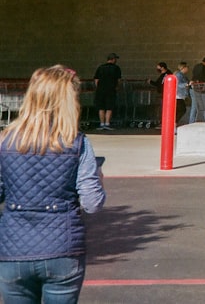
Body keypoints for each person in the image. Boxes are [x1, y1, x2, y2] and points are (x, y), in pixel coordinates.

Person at [0, 65, 106, 303]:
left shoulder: (4, 141)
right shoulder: (77, 143)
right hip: (62, 247)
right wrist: (98, 178)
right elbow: (92, 204)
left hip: (13, 249)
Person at [93, 53, 122, 130]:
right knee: (109, 107)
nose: (116, 60)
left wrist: (99, 87)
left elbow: (96, 80)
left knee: (101, 107)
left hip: (100, 90)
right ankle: (107, 123)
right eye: (115, 59)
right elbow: (119, 80)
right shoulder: (116, 68)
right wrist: (117, 87)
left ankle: (102, 124)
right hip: (111, 90)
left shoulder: (100, 67)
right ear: (113, 59)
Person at [188, 55, 205, 124]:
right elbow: (202, 78)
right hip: (198, 87)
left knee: (195, 106)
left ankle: (192, 121)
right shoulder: (202, 68)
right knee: (201, 105)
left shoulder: (198, 66)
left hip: (196, 87)